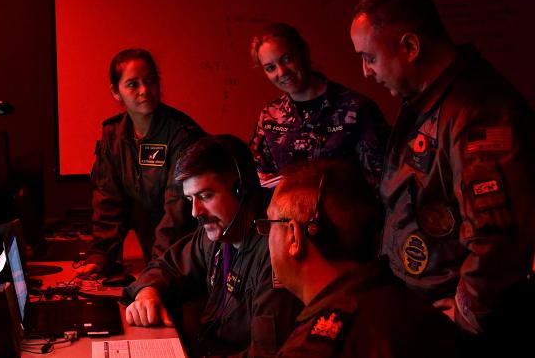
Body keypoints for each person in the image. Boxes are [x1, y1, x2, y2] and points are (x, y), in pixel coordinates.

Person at [350, 0, 535, 354]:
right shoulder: (425, 99)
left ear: (410, 47)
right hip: (418, 306)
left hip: (454, 328)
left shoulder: (477, 111)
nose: (366, 72)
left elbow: (498, 235)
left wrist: (467, 316)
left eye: (370, 57)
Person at [123, 135, 301, 357]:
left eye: (205, 196)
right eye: (190, 200)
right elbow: (167, 266)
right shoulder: (215, 235)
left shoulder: (276, 252)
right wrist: (147, 293)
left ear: (241, 190)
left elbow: (266, 354)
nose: (195, 212)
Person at [265, 160, 459, 357]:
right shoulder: (421, 312)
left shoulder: (308, 350)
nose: (266, 237)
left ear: (293, 237)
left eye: (269, 224)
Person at [75, 48, 205, 277]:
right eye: (133, 84)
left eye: (151, 81)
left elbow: (178, 212)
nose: (145, 90)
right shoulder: (113, 135)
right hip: (155, 259)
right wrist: (101, 257)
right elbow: (108, 201)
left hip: (190, 255)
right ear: (116, 92)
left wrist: (155, 268)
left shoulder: (183, 135)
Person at [249, 22, 389, 188]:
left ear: (304, 52)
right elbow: (260, 177)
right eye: (270, 68)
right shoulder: (270, 117)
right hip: (285, 213)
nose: (281, 72)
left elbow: (380, 181)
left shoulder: (356, 109)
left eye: (287, 59)